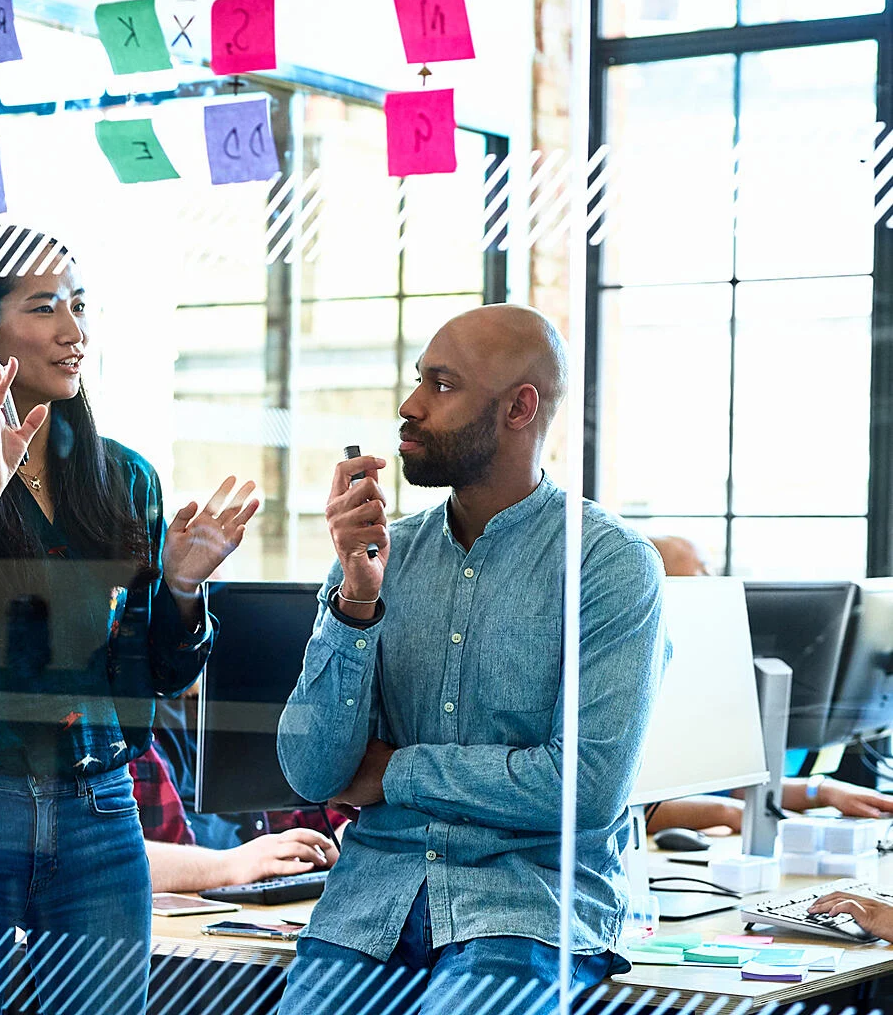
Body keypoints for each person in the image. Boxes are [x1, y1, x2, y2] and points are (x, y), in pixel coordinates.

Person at [0, 225, 258, 1015]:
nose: (75, 333)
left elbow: (157, 673)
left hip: (98, 807)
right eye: (46, 308)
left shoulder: (125, 480)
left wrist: (182, 587)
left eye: (79, 306)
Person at [275, 305, 669, 1014]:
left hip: (523, 908)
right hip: (367, 908)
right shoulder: (373, 556)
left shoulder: (608, 566)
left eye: (442, 385)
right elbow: (313, 773)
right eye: (418, 379)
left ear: (519, 408)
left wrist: (394, 770)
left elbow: (582, 787)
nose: (410, 405)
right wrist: (354, 605)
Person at [645, 535, 893, 835]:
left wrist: (823, 792)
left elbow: (732, 784)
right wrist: (732, 814)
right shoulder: (634, 684)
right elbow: (626, 806)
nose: (716, 584)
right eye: (702, 574)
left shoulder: (696, 676)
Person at [130, 740, 341, 892]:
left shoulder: (227, 713)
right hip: (182, 934)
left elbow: (321, 818)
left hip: (257, 908)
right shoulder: (118, 735)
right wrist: (235, 864)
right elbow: (105, 858)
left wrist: (324, 848)